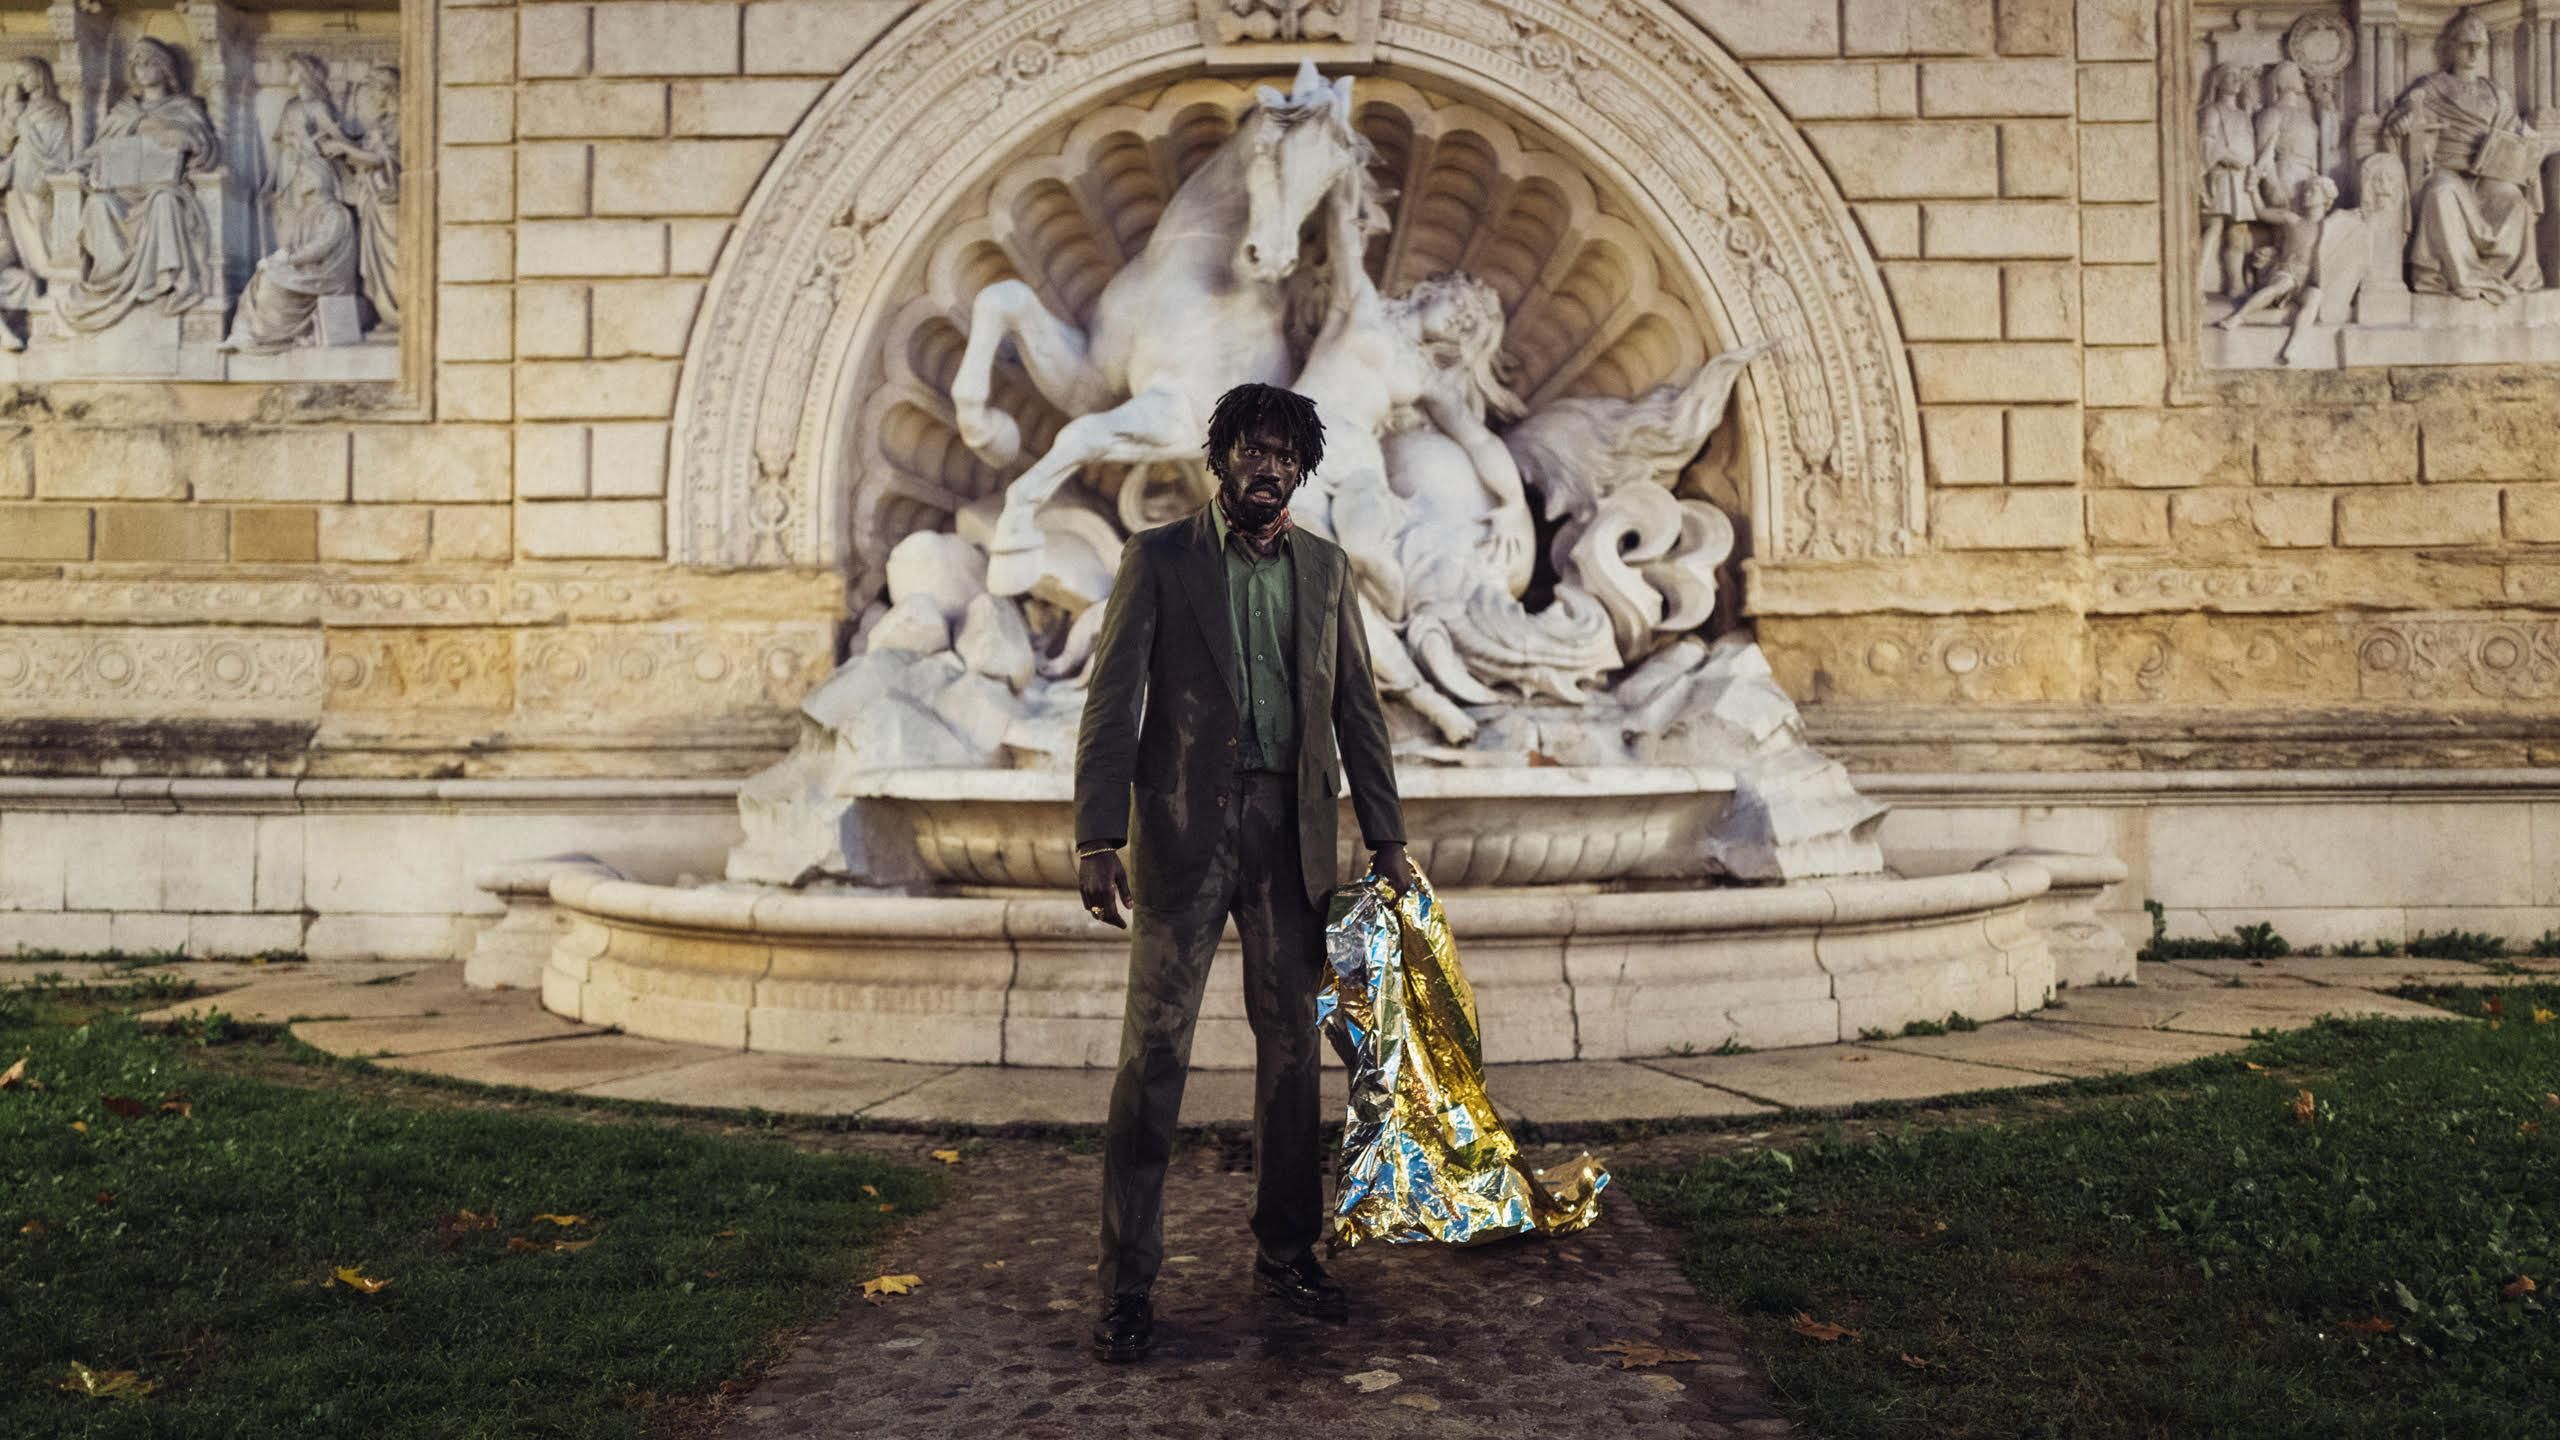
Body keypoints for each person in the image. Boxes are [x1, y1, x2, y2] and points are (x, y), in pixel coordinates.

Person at [1074, 380, 1411, 1364]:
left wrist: (1386, 837)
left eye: (1284, 454)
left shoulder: (1325, 568)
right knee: (1153, 1059)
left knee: (1292, 1057)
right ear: (1220, 460)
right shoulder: (1160, 559)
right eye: (1251, 451)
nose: (1268, 467)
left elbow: (1358, 710)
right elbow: (1111, 708)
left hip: (1290, 835)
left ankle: (1288, 1252)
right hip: (1180, 833)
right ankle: (1128, 1282)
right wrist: (1099, 835)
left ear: (1302, 467)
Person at [2384, 8, 2544, 299]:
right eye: (2466, 43)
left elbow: (2513, 131)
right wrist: (2403, 123)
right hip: (2448, 169)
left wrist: (2526, 144)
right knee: (2441, 194)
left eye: (2479, 45)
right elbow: (2404, 117)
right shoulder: (2432, 86)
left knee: (2514, 200)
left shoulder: (2496, 93)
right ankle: (2464, 277)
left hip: (2489, 174)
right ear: (2451, 47)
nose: (2473, 51)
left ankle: (2507, 277)